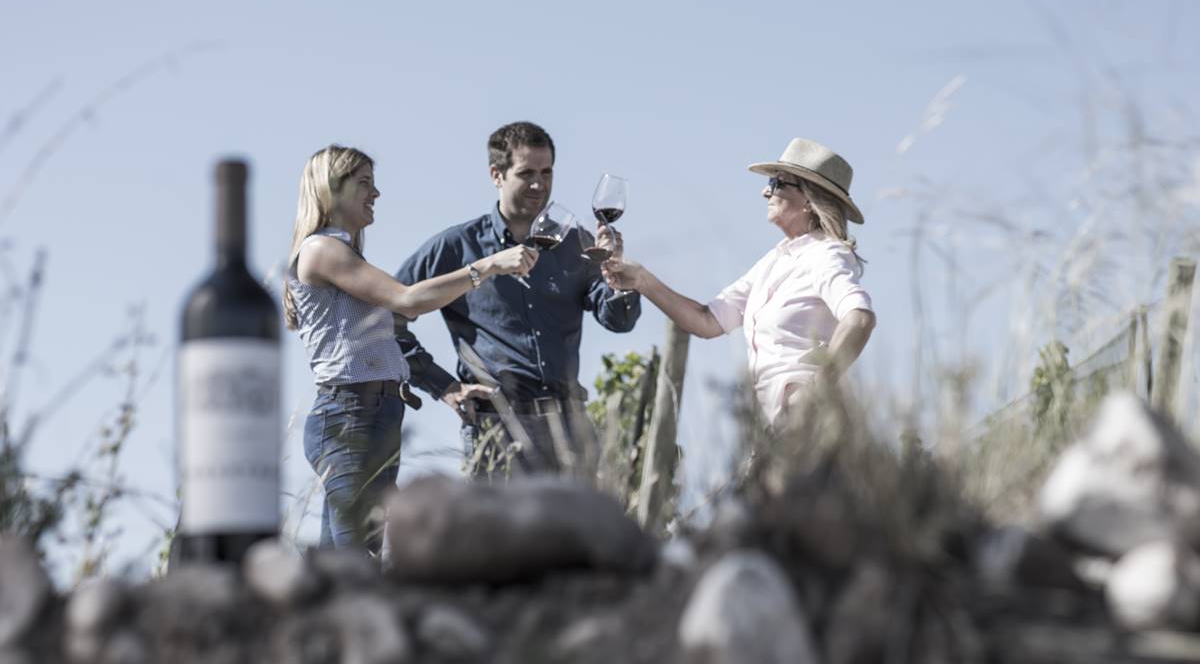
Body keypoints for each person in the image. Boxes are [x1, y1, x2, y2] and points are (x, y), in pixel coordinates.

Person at [285, 144, 535, 551]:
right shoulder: (321, 249)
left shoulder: (344, 254)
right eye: (364, 183)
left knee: (346, 562)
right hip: (349, 418)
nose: (376, 194)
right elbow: (408, 300)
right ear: (332, 189)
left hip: (373, 416)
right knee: (356, 562)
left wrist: (445, 386)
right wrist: (487, 266)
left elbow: (390, 334)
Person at [395, 122, 642, 478]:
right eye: (527, 173)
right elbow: (387, 315)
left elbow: (619, 321)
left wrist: (619, 280)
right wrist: (443, 386)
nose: (539, 185)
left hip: (571, 430)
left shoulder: (575, 243)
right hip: (497, 429)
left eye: (547, 172)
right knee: (495, 537)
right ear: (497, 174)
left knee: (578, 536)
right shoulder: (456, 247)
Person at [603, 137, 875, 425]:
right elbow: (707, 321)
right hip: (778, 429)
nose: (765, 191)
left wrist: (816, 390)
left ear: (808, 199)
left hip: (815, 426)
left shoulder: (826, 253)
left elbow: (859, 319)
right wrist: (641, 279)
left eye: (778, 183)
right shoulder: (775, 261)